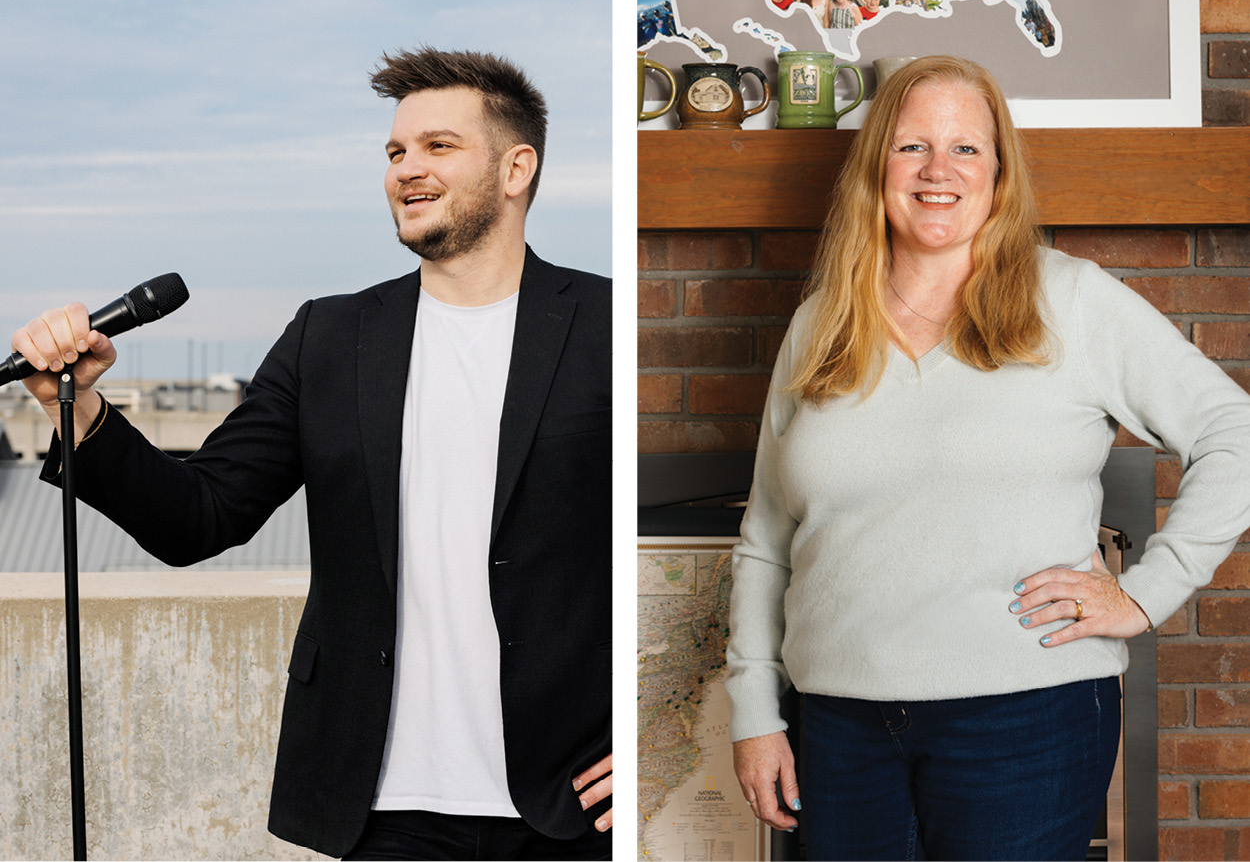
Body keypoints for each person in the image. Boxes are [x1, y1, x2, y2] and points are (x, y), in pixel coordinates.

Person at [14, 48, 613, 862]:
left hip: (567, 809)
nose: (407, 169)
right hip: (382, 809)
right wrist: (75, 408)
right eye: (396, 152)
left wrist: (649, 725)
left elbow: (660, 556)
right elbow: (201, 517)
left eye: (438, 146)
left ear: (517, 168)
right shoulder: (328, 337)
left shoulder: (608, 327)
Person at [726, 55, 1250, 861]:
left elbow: (1233, 432)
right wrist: (756, 711)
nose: (939, 171)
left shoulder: (1071, 300)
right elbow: (766, 539)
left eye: (966, 148)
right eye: (911, 147)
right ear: (876, 169)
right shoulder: (822, 323)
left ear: (1000, 174)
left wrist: (1146, 595)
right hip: (836, 726)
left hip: (1026, 720)